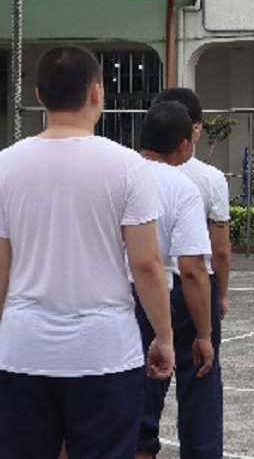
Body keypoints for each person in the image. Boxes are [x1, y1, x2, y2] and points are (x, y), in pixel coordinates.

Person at [0, 44, 174, 458]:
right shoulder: (126, 165)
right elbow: (147, 264)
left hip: (24, 348)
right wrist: (164, 337)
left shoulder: (5, 164)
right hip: (104, 352)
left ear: (39, 96)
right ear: (97, 92)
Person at [135, 101, 220, 459]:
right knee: (192, 382)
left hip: (116, 296)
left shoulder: (117, 175)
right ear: (184, 145)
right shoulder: (181, 187)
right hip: (162, 294)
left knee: (135, 403)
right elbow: (193, 268)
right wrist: (203, 334)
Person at [153, 88, 232, 320]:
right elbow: (221, 249)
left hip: (144, 284)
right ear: (195, 127)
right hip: (192, 285)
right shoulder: (210, 178)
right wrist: (221, 295)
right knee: (199, 353)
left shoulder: (130, 171)